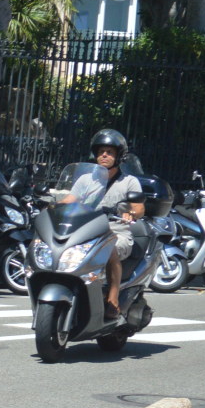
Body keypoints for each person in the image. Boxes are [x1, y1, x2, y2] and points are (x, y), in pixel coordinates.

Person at [68, 129, 143, 319]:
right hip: (87, 229)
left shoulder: (129, 181)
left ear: (118, 156)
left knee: (109, 249)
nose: (104, 155)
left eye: (109, 152)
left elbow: (139, 208)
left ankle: (113, 299)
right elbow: (69, 200)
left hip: (116, 230)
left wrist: (130, 214)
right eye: (101, 151)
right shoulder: (86, 179)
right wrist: (50, 206)